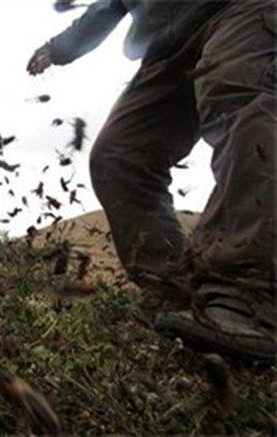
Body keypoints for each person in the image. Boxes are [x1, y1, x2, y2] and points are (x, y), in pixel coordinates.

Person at [27, 0, 275, 364]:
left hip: (240, 9)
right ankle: (176, 293)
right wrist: (58, 48)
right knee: (121, 156)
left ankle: (249, 297)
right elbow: (108, 6)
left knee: (243, 104)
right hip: (170, 46)